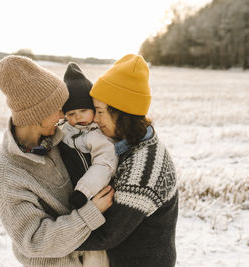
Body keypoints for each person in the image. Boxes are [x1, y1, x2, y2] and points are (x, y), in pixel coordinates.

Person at [0, 55, 114, 267]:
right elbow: (34, 241)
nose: (62, 114)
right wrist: (90, 213)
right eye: (57, 108)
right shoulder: (4, 172)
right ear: (37, 113)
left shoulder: (59, 140)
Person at [76, 54, 179, 267]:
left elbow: (108, 235)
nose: (95, 119)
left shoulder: (143, 170)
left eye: (101, 112)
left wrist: (51, 238)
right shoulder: (135, 142)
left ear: (122, 114)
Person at [59, 62, 118, 210]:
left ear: (93, 109)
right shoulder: (65, 129)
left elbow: (104, 164)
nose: (78, 116)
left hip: (92, 194)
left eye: (84, 110)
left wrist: (83, 192)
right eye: (71, 113)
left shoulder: (97, 135)